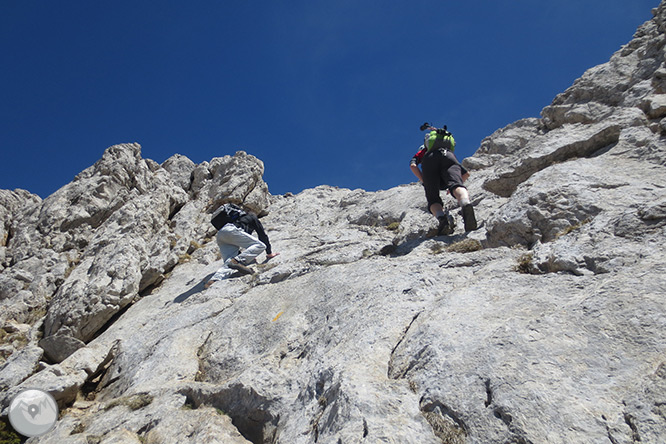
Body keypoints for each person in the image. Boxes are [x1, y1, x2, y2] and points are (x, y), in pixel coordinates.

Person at [410, 123, 477, 235]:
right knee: (457, 185)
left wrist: (424, 180)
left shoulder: (423, 151)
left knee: (433, 198)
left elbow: (413, 165)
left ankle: (442, 219)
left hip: (429, 161)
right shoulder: (446, 149)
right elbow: (466, 174)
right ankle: (465, 203)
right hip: (448, 156)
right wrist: (452, 187)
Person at [205, 207, 279, 288]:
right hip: (231, 230)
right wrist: (269, 253)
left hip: (220, 235)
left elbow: (242, 240)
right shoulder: (252, 217)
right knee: (261, 246)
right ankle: (237, 261)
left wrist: (248, 256)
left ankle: (214, 279)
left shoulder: (237, 220)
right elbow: (262, 235)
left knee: (229, 262)